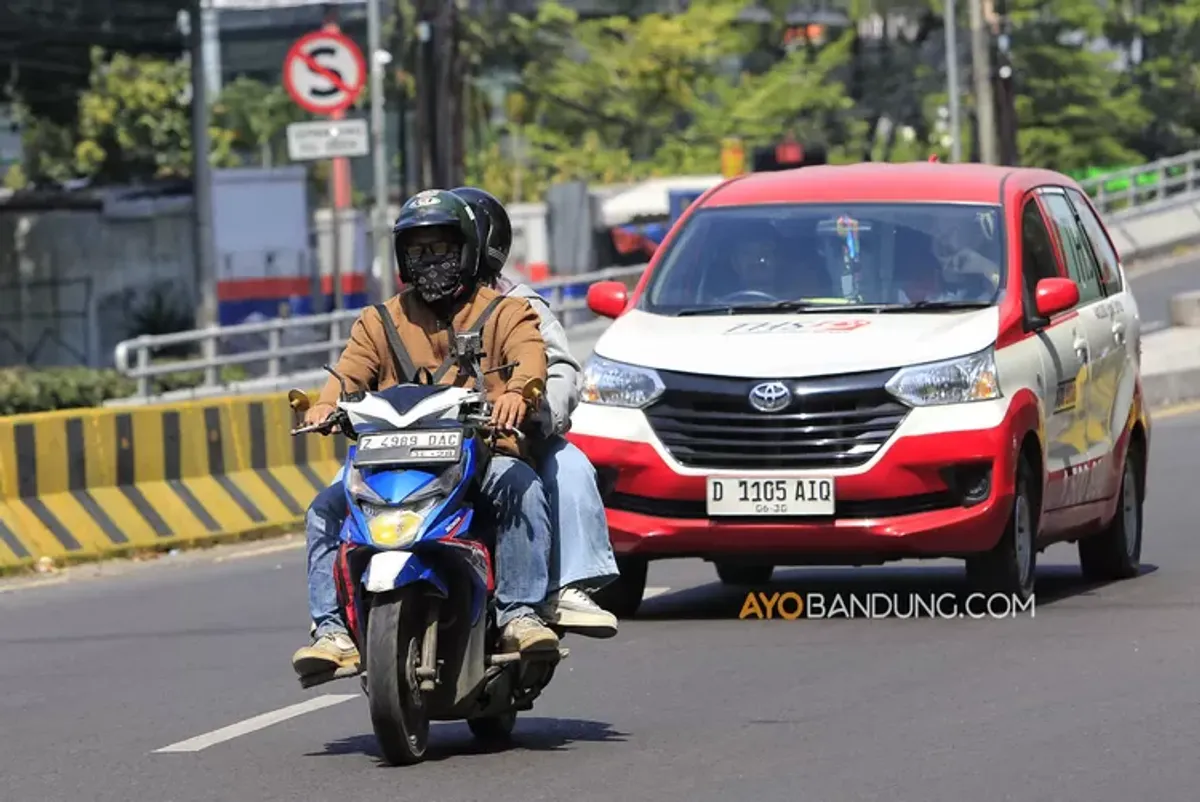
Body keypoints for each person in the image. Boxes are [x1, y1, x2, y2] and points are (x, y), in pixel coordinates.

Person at [291, 189, 559, 682]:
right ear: (401, 258)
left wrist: (518, 393)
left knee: (519, 484)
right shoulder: (379, 321)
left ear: (468, 252)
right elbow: (348, 374)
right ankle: (330, 630)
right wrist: (327, 405)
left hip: (478, 456)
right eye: (417, 251)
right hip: (390, 462)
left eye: (441, 249)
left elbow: (530, 358)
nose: (429, 262)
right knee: (325, 510)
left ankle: (521, 613)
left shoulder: (505, 312)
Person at [451, 186, 619, 638]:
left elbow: (560, 369)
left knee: (568, 465)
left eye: (451, 242)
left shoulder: (521, 304)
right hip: (439, 441)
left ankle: (565, 586)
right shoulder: (412, 311)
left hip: (510, 432)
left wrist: (536, 410)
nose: (439, 257)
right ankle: (337, 619)